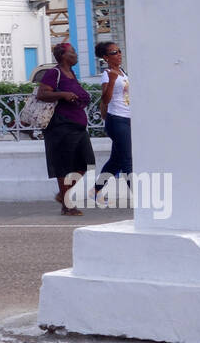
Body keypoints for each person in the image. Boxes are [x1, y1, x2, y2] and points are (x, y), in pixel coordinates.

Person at [34, 42, 94, 215]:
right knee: (64, 165)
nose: (76, 55)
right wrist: (63, 94)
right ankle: (67, 205)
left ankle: (62, 195)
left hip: (78, 126)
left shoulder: (71, 73)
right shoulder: (54, 73)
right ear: (63, 56)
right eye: (72, 52)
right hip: (61, 126)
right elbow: (42, 93)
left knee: (85, 163)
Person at [95, 40, 132, 207]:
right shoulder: (107, 74)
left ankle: (96, 190)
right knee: (127, 159)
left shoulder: (122, 72)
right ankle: (138, 196)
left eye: (119, 51)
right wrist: (110, 81)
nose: (118, 54)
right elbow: (106, 99)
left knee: (115, 161)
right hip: (116, 120)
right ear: (105, 57)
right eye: (113, 52)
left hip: (128, 118)